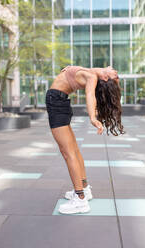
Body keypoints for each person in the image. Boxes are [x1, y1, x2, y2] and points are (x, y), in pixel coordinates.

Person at [45, 65, 124, 215]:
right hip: (59, 102)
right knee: (73, 150)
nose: (116, 70)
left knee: (68, 153)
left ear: (106, 78)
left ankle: (80, 199)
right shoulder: (93, 72)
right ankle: (85, 190)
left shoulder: (92, 77)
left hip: (57, 103)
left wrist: (93, 118)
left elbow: (90, 95)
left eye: (115, 75)